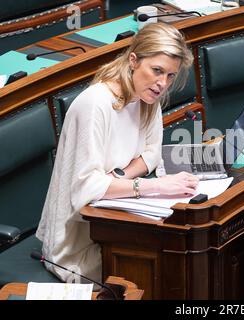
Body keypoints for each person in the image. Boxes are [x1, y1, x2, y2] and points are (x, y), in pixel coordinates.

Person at [36, 23, 199, 283]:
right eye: (157, 70)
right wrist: (154, 186)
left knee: (183, 252)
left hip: (115, 218)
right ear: (133, 60)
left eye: (170, 75)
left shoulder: (147, 97)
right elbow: (86, 187)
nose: (162, 84)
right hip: (79, 243)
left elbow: (151, 154)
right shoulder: (95, 104)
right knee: (170, 265)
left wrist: (119, 178)